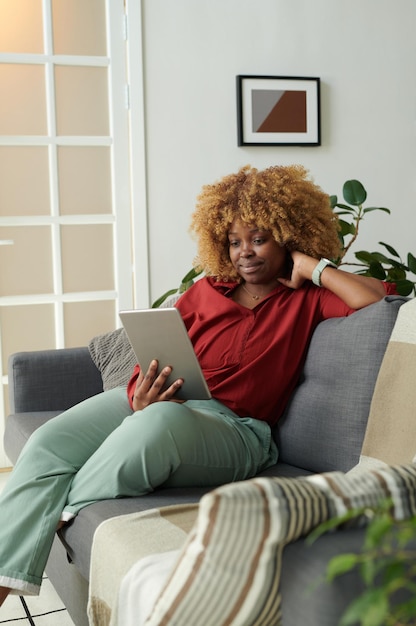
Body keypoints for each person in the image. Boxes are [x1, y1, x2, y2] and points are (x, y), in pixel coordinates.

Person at [0, 164, 390, 605]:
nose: (245, 252)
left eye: (259, 238)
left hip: (236, 430)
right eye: (235, 241)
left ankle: (56, 512)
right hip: (164, 400)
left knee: (156, 424)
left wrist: (311, 266)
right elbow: (152, 351)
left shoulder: (310, 299)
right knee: (50, 442)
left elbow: (376, 299)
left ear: (288, 234)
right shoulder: (206, 290)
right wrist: (139, 393)